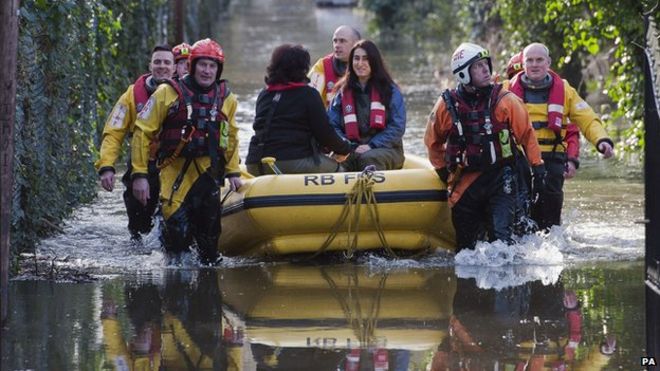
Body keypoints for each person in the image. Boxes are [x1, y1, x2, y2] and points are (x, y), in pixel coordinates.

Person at [424, 42, 545, 252]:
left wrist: (537, 165)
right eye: (478, 66)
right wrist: (443, 171)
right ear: (463, 73)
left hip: (501, 179)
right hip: (465, 184)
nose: (485, 70)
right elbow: (433, 142)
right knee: (466, 251)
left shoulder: (505, 100)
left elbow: (526, 134)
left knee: (502, 245)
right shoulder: (446, 105)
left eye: (486, 64)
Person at [131, 38, 242, 265]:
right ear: (192, 65)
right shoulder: (167, 93)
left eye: (213, 66)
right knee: (177, 243)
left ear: (218, 69)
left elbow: (230, 136)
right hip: (175, 174)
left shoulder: (226, 98)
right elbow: (142, 132)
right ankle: (175, 290)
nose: (207, 71)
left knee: (209, 248)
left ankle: (207, 294)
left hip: (208, 173)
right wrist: (140, 175)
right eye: (203, 65)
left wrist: (233, 171)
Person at [509, 42, 614, 230]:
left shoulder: (565, 90)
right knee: (519, 212)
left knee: (550, 217)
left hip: (552, 159)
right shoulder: (506, 89)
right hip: (519, 160)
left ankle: (550, 246)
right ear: (523, 64)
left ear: (548, 62)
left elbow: (587, 118)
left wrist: (602, 140)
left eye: (539, 60)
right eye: (530, 60)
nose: (534, 64)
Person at [95, 44, 174, 242]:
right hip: (143, 165)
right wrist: (107, 166)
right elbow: (114, 132)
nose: (162, 66)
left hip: (174, 165)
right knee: (140, 230)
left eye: (167, 62)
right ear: (150, 65)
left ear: (174, 68)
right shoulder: (131, 96)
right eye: (157, 62)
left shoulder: (184, 94)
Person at [246, 44, 352, 175]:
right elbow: (325, 134)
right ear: (302, 68)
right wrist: (345, 148)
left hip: (254, 163)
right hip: (291, 161)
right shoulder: (309, 95)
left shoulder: (264, 94)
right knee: (340, 172)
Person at [328, 40, 406, 172]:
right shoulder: (341, 92)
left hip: (386, 149)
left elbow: (397, 126)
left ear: (374, 62)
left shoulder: (391, 91)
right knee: (331, 163)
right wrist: (348, 145)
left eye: (365, 59)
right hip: (351, 148)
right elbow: (332, 125)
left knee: (368, 159)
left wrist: (372, 145)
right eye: (356, 59)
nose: (360, 64)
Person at [308, 25, 361, 107]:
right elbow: (308, 97)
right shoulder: (322, 66)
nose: (337, 45)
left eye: (342, 41)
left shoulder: (368, 65)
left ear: (356, 44)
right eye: (335, 41)